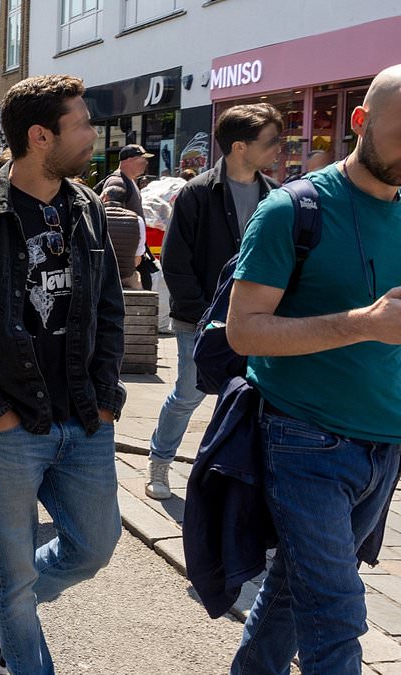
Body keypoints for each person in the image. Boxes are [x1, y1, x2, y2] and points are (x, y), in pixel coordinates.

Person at [0, 75, 126, 675]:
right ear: (41, 136)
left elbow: (109, 306)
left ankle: (3, 601)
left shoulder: (87, 207)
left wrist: (108, 394)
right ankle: (15, 619)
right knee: (16, 571)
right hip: (9, 428)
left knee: (94, 548)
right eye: (82, 123)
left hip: (86, 419)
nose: (93, 134)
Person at [224, 63, 401, 674]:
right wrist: (361, 323)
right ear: (361, 121)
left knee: (291, 594)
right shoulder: (291, 209)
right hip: (303, 438)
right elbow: (243, 330)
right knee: (335, 612)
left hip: (385, 443)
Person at [147, 103, 282, 499]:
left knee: (252, 398)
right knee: (189, 392)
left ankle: (237, 480)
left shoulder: (275, 196)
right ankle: (160, 459)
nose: (279, 148)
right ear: (240, 146)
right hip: (200, 319)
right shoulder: (197, 192)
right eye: (271, 141)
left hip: (258, 319)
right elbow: (175, 261)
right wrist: (205, 313)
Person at [101, 185, 144, 289]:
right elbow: (137, 259)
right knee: (137, 277)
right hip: (126, 278)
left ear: (105, 197)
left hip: (99, 277)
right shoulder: (137, 220)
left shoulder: (95, 216)